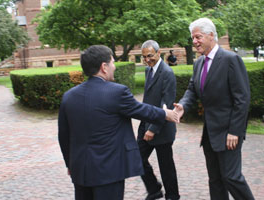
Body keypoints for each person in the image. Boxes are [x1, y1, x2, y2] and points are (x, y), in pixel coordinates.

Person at [58, 45, 178, 200]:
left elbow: (63, 136)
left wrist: (70, 164)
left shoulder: (68, 97)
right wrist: (165, 113)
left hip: (80, 170)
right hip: (109, 172)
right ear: (104, 67)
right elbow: (141, 110)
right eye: (112, 63)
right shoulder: (116, 92)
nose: (114, 67)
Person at [174, 18, 255, 200]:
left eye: (198, 37)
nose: (194, 41)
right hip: (210, 133)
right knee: (215, 180)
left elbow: (242, 99)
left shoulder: (231, 59)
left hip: (229, 133)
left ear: (211, 35)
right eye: (193, 38)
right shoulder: (199, 63)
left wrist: (235, 131)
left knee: (231, 177)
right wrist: (183, 106)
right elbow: (192, 90)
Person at [138, 40, 180, 200]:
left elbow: (166, 105)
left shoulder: (167, 73)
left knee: (166, 167)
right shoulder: (148, 71)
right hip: (146, 123)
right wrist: (144, 125)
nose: (147, 60)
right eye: (144, 57)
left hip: (161, 128)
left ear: (158, 53)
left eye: (150, 56)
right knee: (137, 157)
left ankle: (173, 196)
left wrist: (152, 129)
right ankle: (154, 188)